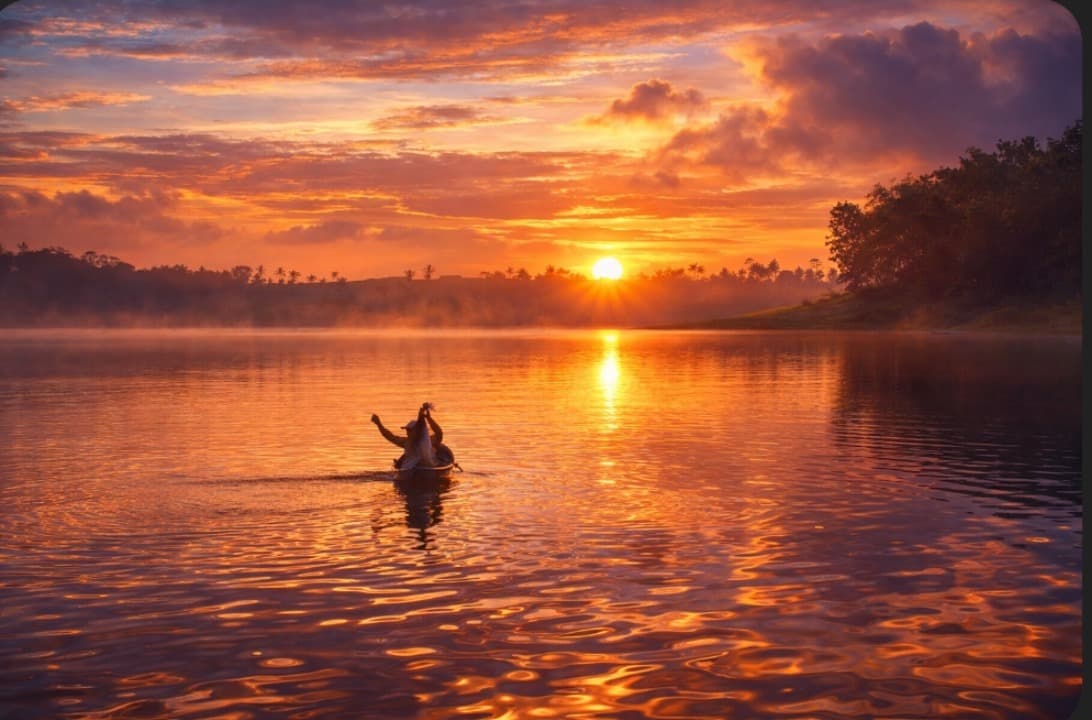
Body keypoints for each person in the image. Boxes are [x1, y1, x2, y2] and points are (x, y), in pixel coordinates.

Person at [371, 402, 444, 469]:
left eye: (409, 430)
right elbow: (390, 436)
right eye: (407, 430)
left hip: (425, 467)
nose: (407, 433)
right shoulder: (406, 442)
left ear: (416, 430)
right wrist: (379, 424)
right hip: (414, 468)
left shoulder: (429, 441)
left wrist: (429, 418)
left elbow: (439, 433)